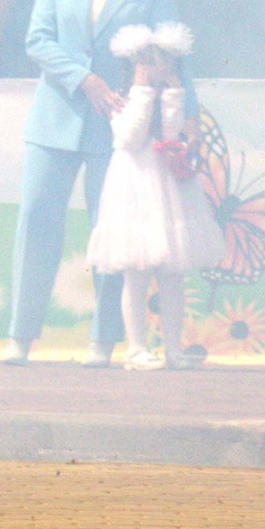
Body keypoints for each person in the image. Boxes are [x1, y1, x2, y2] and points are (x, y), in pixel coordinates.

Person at [4, 0, 182, 365]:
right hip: (54, 119)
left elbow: (170, 49)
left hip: (121, 128)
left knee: (112, 232)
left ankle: (102, 342)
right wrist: (84, 79)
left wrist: (167, 109)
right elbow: (37, 40)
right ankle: (20, 337)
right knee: (37, 218)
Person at [88, 23, 220, 371]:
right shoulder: (120, 98)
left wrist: (173, 95)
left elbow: (171, 133)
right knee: (136, 272)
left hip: (168, 187)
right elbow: (131, 136)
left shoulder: (173, 95)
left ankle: (174, 350)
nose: (159, 69)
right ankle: (136, 349)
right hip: (134, 185)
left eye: (165, 63)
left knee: (172, 274)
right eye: (150, 62)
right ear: (134, 65)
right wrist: (143, 90)